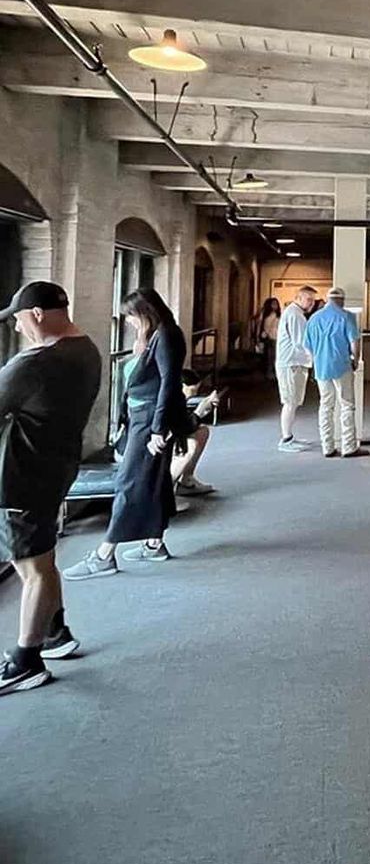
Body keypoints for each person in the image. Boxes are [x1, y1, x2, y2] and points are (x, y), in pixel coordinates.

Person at [0, 283, 101, 695]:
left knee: (32, 568)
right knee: (43, 556)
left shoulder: (32, 364)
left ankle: (26, 660)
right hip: (58, 467)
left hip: (23, 477)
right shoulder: (88, 350)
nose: (20, 328)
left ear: (38, 314)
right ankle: (54, 633)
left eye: (20, 319)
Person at [64, 289, 187, 580]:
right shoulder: (161, 333)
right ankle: (153, 543)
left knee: (130, 481)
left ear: (145, 312)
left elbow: (169, 383)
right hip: (146, 418)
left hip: (150, 422)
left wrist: (158, 428)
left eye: (131, 316)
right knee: (154, 479)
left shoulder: (166, 335)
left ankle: (104, 555)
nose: (129, 322)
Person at [304, 287, 367, 459]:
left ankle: (327, 447)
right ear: (341, 300)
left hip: (321, 369)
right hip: (342, 366)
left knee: (326, 406)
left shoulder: (314, 319)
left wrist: (316, 361)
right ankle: (348, 446)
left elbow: (307, 346)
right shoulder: (347, 316)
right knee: (347, 405)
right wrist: (355, 360)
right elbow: (355, 342)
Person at [274, 286, 317, 453]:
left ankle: (289, 436)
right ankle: (286, 439)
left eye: (313, 300)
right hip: (291, 364)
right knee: (290, 402)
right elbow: (301, 342)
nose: (311, 303)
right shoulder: (295, 315)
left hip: (293, 363)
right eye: (308, 299)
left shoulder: (295, 314)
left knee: (292, 402)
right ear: (299, 298)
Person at [172, 369, 221, 497]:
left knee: (202, 431)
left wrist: (202, 412)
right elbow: (181, 427)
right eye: (193, 390)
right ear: (183, 386)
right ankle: (165, 490)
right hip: (163, 440)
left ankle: (186, 481)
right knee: (189, 446)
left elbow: (185, 423)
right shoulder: (171, 398)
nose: (194, 395)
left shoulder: (179, 397)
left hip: (173, 434)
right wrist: (199, 412)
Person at [255, 297, 281, 380]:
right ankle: (269, 373)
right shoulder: (265, 314)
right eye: (273, 304)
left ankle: (273, 372)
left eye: (276, 304)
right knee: (270, 356)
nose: (275, 306)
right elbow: (261, 325)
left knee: (275, 356)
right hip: (270, 337)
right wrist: (258, 337)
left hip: (277, 337)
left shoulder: (279, 315)